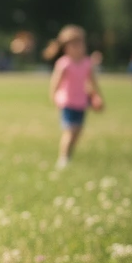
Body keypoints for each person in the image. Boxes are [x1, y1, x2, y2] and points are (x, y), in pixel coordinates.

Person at [44, 25, 104, 169]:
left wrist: (98, 97)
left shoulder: (87, 63)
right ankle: (63, 158)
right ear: (66, 47)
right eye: (75, 44)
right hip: (67, 102)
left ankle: (68, 156)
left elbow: (92, 82)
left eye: (81, 43)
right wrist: (53, 96)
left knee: (77, 132)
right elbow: (55, 83)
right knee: (70, 132)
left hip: (81, 102)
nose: (79, 47)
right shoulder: (64, 63)